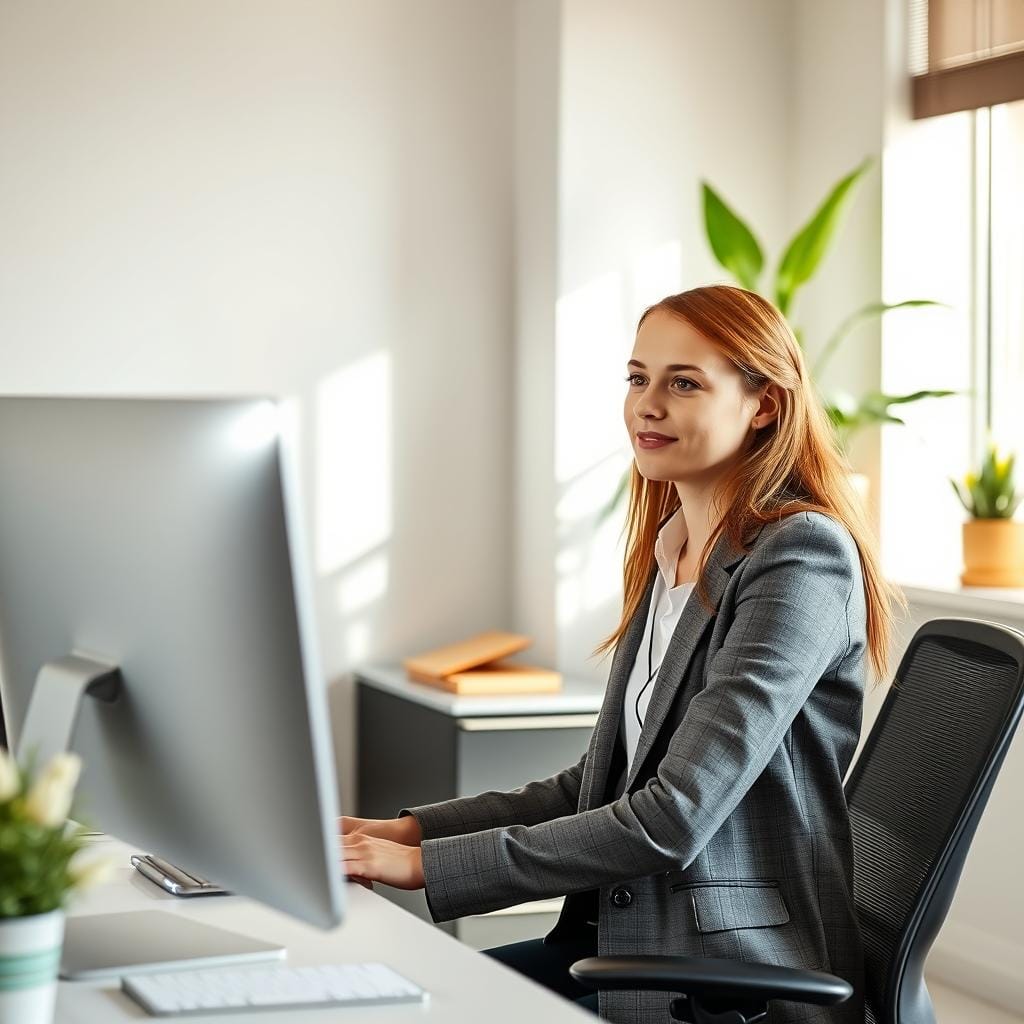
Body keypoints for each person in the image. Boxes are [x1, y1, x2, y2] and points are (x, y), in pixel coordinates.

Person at [340, 284, 907, 1024]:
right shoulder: (672, 552)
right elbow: (596, 783)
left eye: (684, 383)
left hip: (731, 972)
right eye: (639, 378)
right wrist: (408, 831)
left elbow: (673, 816)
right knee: (401, 1000)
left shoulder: (800, 559)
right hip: (628, 934)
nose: (648, 404)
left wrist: (422, 869)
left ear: (764, 403)